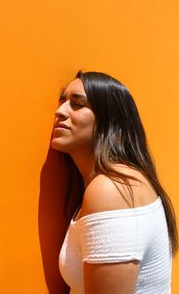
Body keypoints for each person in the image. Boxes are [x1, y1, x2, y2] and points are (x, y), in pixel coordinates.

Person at [51, 71, 178, 294]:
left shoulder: (111, 190)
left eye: (77, 104)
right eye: (62, 101)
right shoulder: (119, 180)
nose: (59, 111)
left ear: (110, 119)